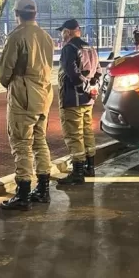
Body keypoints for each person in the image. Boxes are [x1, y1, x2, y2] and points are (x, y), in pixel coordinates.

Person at [0, 0, 55, 210]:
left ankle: (22, 194)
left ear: (17, 14)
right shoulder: (46, 36)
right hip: (44, 95)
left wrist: (12, 84)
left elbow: (5, 72)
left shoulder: (17, 36)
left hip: (23, 97)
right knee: (40, 142)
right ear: (35, 14)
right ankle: (43, 189)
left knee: (22, 144)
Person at [56, 19, 102, 186]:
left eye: (62, 32)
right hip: (88, 100)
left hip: (72, 98)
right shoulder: (90, 47)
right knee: (87, 132)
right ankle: (90, 167)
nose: (61, 35)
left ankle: (78, 172)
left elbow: (72, 73)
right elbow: (98, 71)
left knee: (74, 135)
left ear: (68, 32)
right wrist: (91, 88)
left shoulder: (69, 48)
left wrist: (83, 86)